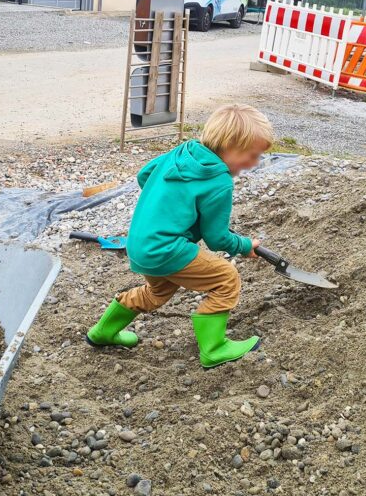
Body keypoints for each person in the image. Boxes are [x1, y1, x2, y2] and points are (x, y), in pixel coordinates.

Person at [86, 104, 274, 368]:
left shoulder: (182, 152)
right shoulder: (220, 182)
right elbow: (217, 239)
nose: (254, 164)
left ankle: (102, 333)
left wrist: (167, 205)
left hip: (140, 244)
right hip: (167, 249)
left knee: (156, 293)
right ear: (230, 145)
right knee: (226, 278)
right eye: (252, 156)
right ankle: (214, 348)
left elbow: (145, 175)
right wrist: (244, 246)